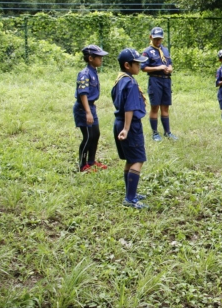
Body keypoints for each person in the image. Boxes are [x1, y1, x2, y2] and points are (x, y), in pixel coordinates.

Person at [112, 48, 149, 209]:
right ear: (127, 65)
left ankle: (131, 192)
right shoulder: (131, 83)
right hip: (129, 125)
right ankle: (130, 199)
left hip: (119, 122)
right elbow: (129, 107)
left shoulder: (120, 80)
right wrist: (127, 128)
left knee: (130, 159)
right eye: (137, 63)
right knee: (138, 160)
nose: (140, 66)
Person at [74, 44, 109, 173]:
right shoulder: (84, 74)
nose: (101, 59)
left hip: (91, 107)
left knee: (96, 134)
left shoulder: (93, 71)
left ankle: (91, 161)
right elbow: (83, 93)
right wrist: (88, 112)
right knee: (88, 136)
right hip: (83, 109)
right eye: (99, 57)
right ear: (90, 58)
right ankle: (82, 165)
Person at [141, 27, 177, 142]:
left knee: (165, 106)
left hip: (166, 80)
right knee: (155, 106)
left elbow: (170, 64)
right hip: (155, 80)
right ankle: (155, 133)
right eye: (156, 38)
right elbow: (143, 68)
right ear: (151, 37)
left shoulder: (165, 50)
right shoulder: (147, 52)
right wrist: (158, 68)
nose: (158, 41)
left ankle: (167, 132)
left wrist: (170, 69)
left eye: (160, 39)